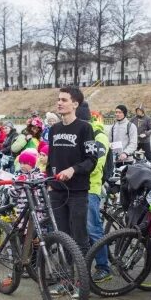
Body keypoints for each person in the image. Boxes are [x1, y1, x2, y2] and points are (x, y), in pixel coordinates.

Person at [47, 86, 97, 266]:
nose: (59, 103)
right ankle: (65, 280)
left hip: (77, 192)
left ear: (75, 104)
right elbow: (50, 159)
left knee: (79, 237)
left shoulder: (85, 128)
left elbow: (92, 160)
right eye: (58, 99)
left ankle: (81, 281)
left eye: (64, 100)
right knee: (62, 236)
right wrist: (50, 182)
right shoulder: (54, 129)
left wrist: (73, 170)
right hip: (57, 192)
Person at [87, 111, 111, 283]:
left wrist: (75, 171)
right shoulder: (83, 132)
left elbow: (96, 165)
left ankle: (103, 267)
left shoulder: (99, 136)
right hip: (77, 187)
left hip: (91, 188)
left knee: (93, 228)